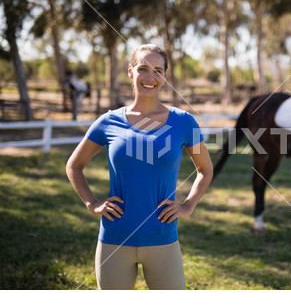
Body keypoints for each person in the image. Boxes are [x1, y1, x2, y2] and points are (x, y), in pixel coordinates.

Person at [66, 44, 213, 290]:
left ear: (165, 76)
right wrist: (92, 203)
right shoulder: (108, 122)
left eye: (158, 70)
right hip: (115, 238)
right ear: (131, 71)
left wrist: (188, 205)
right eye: (143, 68)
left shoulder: (184, 122)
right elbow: (74, 166)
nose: (150, 77)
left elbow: (205, 170)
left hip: (163, 238)